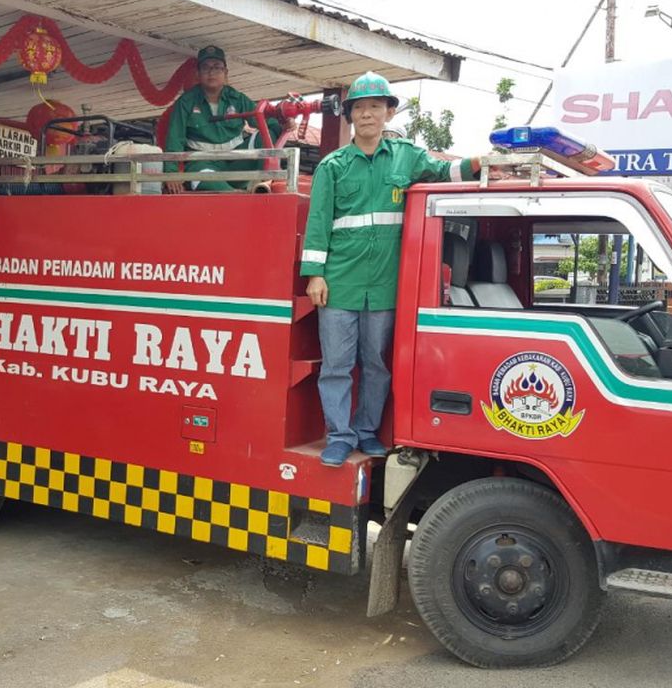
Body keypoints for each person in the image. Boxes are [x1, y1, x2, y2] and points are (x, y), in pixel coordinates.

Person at [300, 71, 483, 466]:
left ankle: (366, 432)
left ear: (389, 113)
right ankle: (339, 436)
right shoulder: (333, 166)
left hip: (384, 285)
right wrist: (315, 274)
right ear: (350, 117)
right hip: (339, 284)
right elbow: (318, 222)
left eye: (375, 107)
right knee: (336, 366)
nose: (367, 115)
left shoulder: (407, 157)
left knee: (377, 365)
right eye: (360, 108)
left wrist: (481, 162)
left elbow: (444, 172)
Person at [163, 45, 279, 193]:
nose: (212, 73)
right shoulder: (186, 102)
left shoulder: (238, 99)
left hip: (236, 162)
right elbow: (174, 139)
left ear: (225, 73)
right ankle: (235, 195)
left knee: (267, 133)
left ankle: (267, 183)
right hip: (203, 164)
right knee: (203, 178)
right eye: (206, 68)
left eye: (217, 67)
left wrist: (284, 124)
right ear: (198, 74)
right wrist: (171, 174)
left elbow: (265, 120)